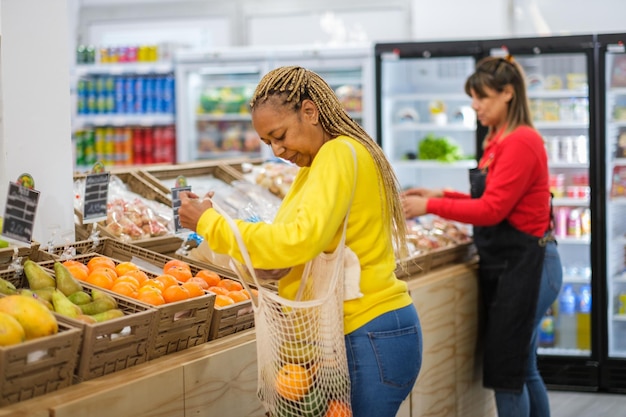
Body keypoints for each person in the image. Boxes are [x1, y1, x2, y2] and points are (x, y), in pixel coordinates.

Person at [178, 65, 422, 417]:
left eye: (280, 135)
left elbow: (296, 241)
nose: (278, 149)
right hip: (370, 332)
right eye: (268, 143)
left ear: (310, 111)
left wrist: (209, 222)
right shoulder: (320, 164)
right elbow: (303, 245)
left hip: (366, 332)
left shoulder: (337, 154)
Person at [401, 55, 563, 417]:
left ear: (508, 94)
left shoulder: (521, 141)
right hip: (515, 264)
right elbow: (488, 199)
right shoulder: (498, 139)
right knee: (523, 369)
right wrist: (443, 194)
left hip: (530, 265)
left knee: (508, 373)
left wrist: (430, 206)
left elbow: (492, 211)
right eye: (473, 98)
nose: (475, 106)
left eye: (482, 98)